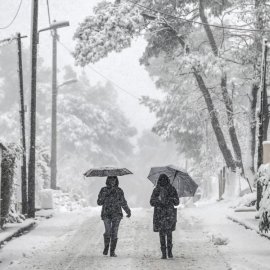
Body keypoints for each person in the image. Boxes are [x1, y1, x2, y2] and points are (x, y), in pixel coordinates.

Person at [97, 176, 131, 257]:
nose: (112, 181)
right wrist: (106, 195)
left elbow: (123, 202)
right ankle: (106, 246)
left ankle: (112, 251)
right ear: (107, 180)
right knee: (108, 232)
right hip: (106, 214)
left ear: (116, 180)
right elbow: (99, 202)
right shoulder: (103, 190)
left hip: (117, 214)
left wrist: (128, 211)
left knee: (114, 233)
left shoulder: (119, 190)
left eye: (114, 179)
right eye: (111, 179)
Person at [150, 173, 179, 259]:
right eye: (161, 180)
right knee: (162, 234)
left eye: (164, 180)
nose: (163, 181)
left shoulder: (171, 189)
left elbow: (177, 202)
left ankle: (169, 252)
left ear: (167, 180)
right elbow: (151, 202)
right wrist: (158, 200)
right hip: (160, 215)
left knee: (168, 233)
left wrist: (170, 198)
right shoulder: (156, 190)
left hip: (169, 215)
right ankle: (164, 252)